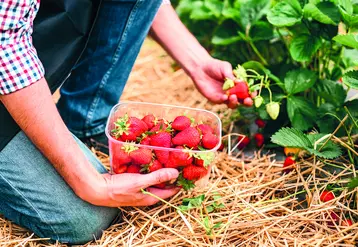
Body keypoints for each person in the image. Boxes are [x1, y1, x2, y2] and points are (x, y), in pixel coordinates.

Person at [0, 0, 253, 244]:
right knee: (86, 218)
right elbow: (5, 43)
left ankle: (84, 124)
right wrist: (90, 182)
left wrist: (198, 62)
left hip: (18, 70)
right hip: (7, 58)